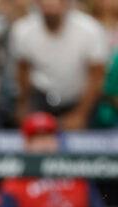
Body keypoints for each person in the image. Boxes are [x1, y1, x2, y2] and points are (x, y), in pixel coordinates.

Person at [10, 0, 110, 129]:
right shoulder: (22, 29)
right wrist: (23, 105)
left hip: (81, 99)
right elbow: (23, 71)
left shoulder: (90, 29)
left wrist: (81, 114)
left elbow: (96, 78)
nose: (51, 4)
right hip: (41, 97)